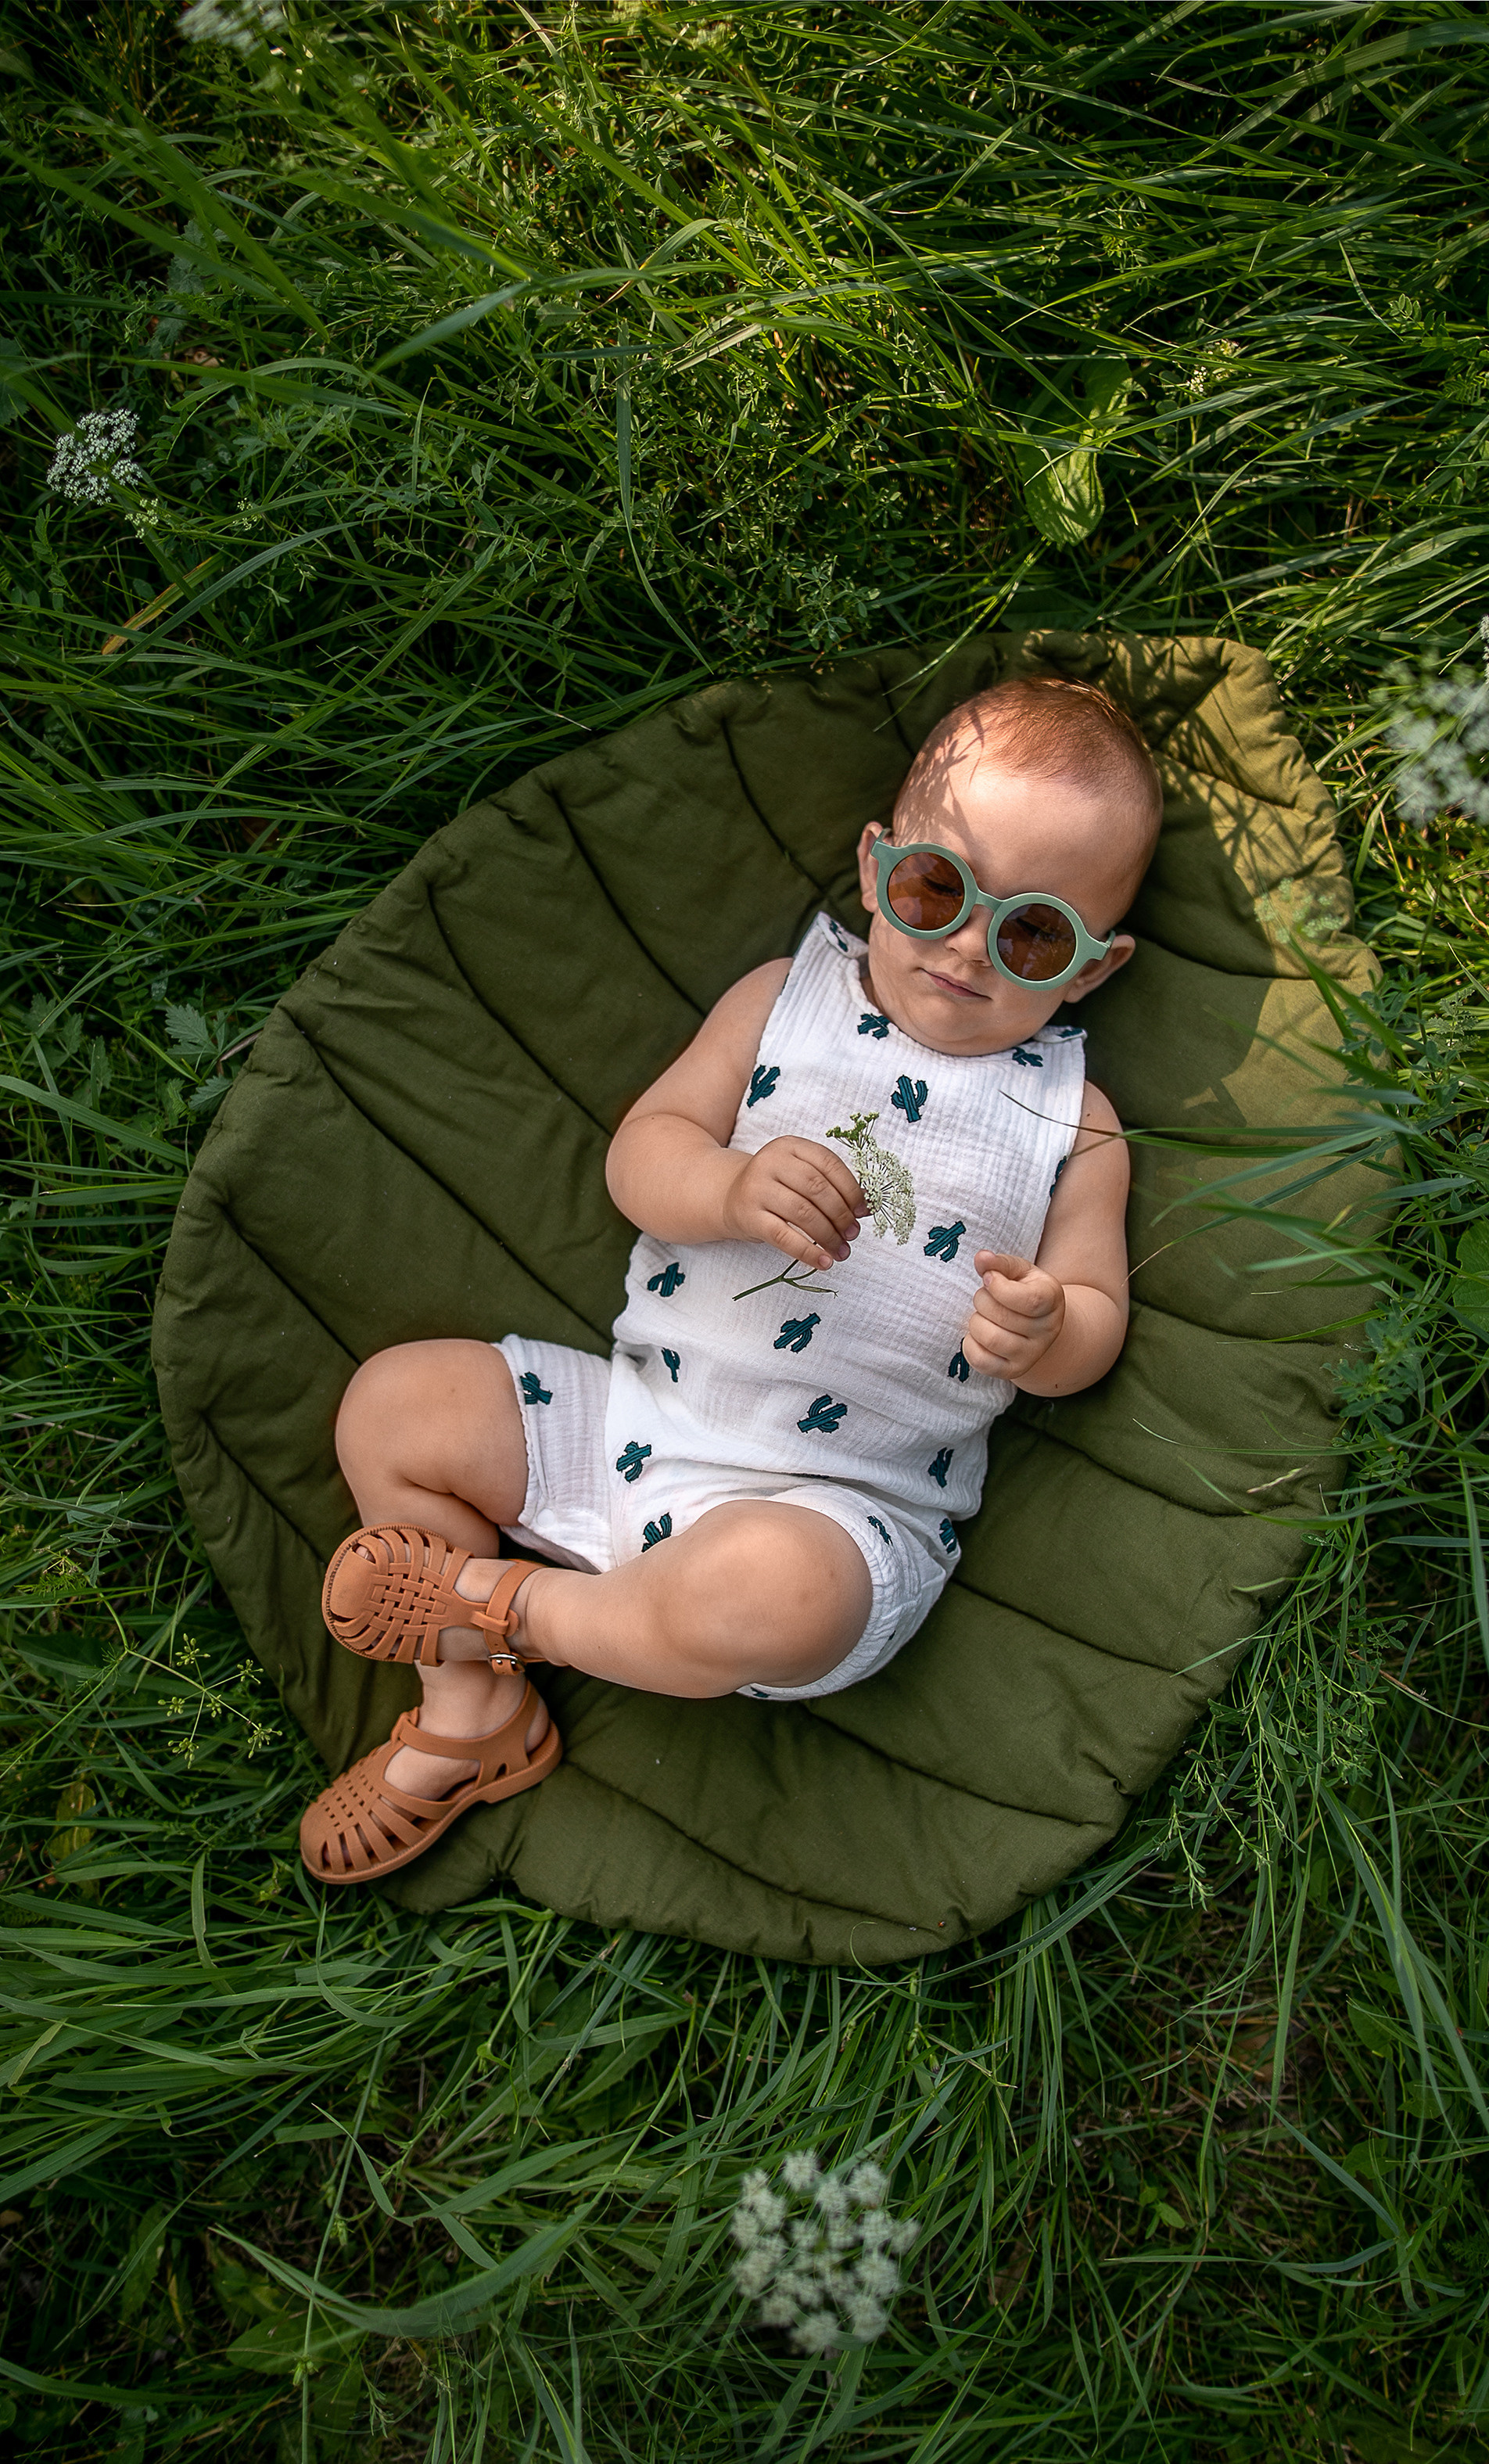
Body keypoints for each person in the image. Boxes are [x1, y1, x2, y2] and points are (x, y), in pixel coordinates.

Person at [299, 675, 1164, 1883]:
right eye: (935, 889)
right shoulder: (784, 999)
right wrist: (727, 1189)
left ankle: (496, 1613)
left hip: (838, 1512)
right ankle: (475, 1715)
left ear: (1092, 967)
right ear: (875, 870)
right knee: (397, 1405)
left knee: (775, 1591)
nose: (967, 945)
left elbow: (1097, 1320)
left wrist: (1046, 1326)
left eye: (1030, 934)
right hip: (639, 1426)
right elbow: (640, 1156)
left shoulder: (1075, 1123)